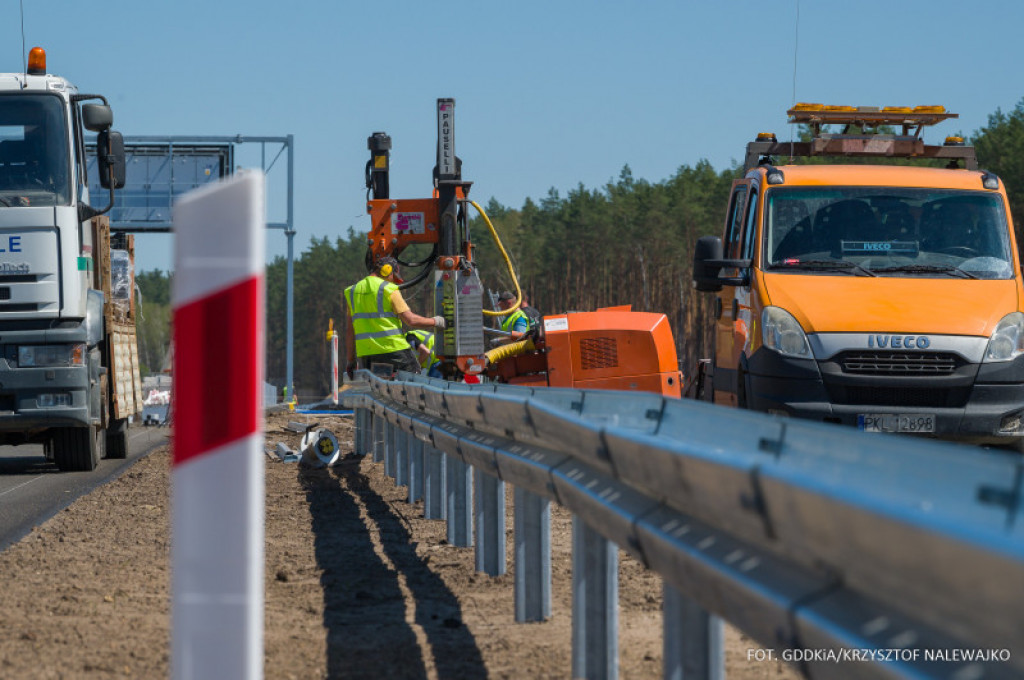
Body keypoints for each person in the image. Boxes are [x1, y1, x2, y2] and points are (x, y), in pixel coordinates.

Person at [344, 256, 445, 378]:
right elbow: (411, 320)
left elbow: (350, 331)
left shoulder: (351, 292)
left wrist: (350, 360)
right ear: (387, 270)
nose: (393, 281)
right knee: (414, 379)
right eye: (393, 277)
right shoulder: (388, 289)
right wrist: (436, 321)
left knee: (382, 388)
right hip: (394, 351)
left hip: (367, 355)